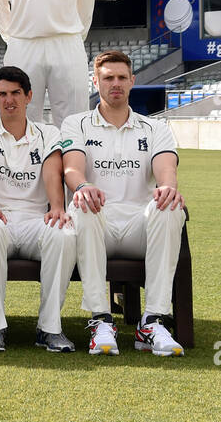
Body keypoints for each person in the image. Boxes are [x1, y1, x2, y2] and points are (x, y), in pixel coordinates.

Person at [62, 50, 187, 357]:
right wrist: (83, 185)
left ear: (132, 81)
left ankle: (152, 321)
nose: (114, 84)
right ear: (96, 81)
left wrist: (168, 189)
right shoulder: (76, 123)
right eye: (108, 78)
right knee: (82, 202)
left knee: (171, 206)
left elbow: (166, 169)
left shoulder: (155, 128)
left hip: (138, 228)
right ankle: (100, 321)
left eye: (121, 78)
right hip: (96, 225)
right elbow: (72, 168)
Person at [0, 66, 77, 352]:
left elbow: (53, 171)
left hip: (33, 221)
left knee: (63, 234)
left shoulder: (47, 132)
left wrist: (57, 207)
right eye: (2, 94)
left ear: (29, 96)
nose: (9, 100)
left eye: (16, 93)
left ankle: (49, 328)